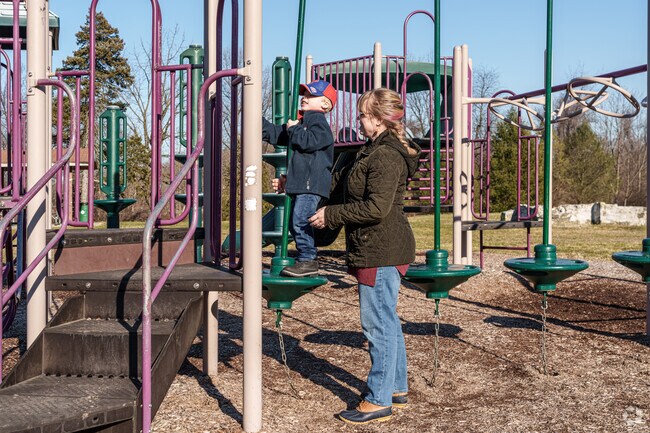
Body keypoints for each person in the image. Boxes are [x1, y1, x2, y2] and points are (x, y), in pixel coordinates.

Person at [308, 88, 421, 425]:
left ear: (377, 118)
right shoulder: (371, 151)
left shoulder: (385, 156)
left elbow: (376, 207)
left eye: (361, 116)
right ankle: (396, 388)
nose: (358, 121)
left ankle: (378, 399)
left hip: (381, 249)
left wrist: (332, 215)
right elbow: (343, 181)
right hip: (379, 246)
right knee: (387, 321)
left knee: (377, 325)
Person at [262, 80, 337, 277]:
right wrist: (259, 123)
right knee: (295, 221)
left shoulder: (317, 121)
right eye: (304, 95)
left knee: (300, 220)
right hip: (302, 184)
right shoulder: (303, 123)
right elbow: (279, 134)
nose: (305, 98)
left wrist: (294, 129)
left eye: (311, 96)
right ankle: (305, 258)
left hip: (311, 184)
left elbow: (309, 142)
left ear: (325, 104)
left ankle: (308, 260)